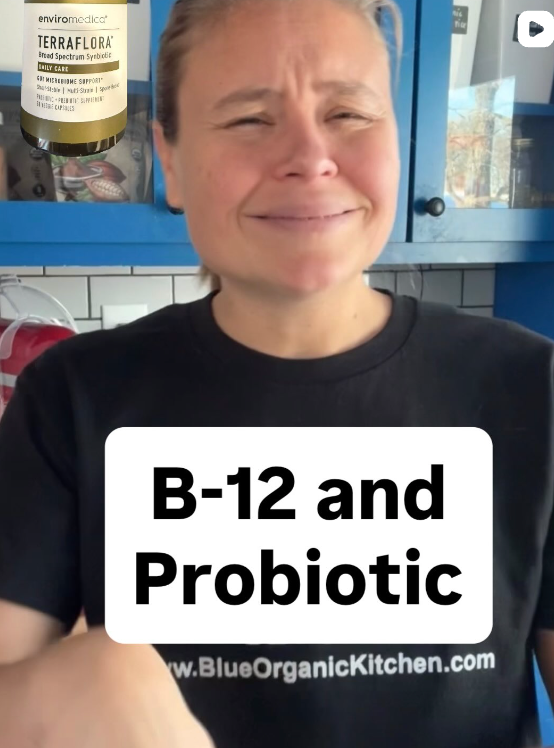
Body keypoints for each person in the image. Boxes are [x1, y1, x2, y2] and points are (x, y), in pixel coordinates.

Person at [1, 0, 554, 746]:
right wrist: (44, 695)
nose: (310, 156)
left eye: (349, 113)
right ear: (171, 161)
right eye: (249, 119)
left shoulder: (532, 390)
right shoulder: (70, 400)